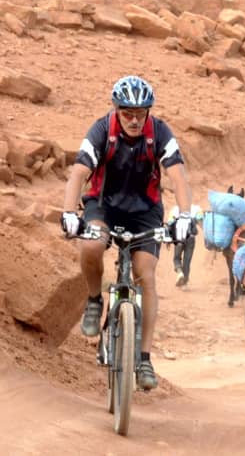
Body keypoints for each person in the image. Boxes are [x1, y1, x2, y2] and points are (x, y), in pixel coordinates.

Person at [61, 75, 193, 390]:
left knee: (145, 275)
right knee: (91, 246)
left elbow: (178, 176)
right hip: (103, 206)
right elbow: (79, 172)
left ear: (148, 111)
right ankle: (94, 300)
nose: (134, 120)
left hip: (145, 211)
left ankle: (144, 358)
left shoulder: (159, 132)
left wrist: (185, 216)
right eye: (127, 113)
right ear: (117, 110)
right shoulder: (101, 131)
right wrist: (69, 213)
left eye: (140, 113)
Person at [167, 204, 203, 287]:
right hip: (191, 238)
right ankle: (185, 284)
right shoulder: (196, 208)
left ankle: (179, 273)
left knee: (176, 258)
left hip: (179, 238)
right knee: (187, 261)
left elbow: (170, 224)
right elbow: (200, 221)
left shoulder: (175, 209)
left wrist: (169, 239)